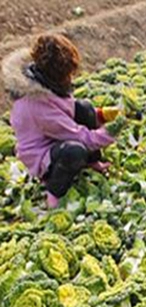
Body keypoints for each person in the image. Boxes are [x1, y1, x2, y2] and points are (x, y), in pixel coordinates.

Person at [1, 34, 126, 208]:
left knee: (85, 108)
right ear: (56, 75)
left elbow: (70, 108)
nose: (70, 79)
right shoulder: (37, 106)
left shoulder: (44, 83)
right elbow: (79, 136)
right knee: (75, 151)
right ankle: (53, 191)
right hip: (41, 155)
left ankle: (92, 162)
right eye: (67, 75)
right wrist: (110, 132)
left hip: (53, 135)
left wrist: (102, 115)